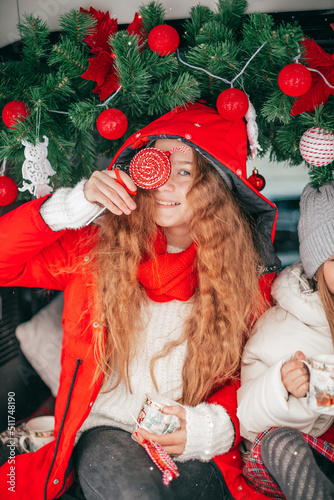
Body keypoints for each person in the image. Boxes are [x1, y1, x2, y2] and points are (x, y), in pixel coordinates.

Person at [0, 102, 279, 500]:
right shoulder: (95, 249)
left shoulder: (248, 277)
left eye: (185, 172)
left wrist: (209, 426)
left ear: (215, 188)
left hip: (194, 444)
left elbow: (255, 372)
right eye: (158, 163)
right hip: (107, 432)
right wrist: (72, 205)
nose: (165, 182)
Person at [237, 182, 334, 500]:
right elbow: (250, 422)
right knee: (281, 443)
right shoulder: (285, 323)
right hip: (300, 457)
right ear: (318, 268)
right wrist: (286, 386)